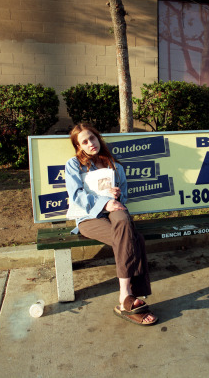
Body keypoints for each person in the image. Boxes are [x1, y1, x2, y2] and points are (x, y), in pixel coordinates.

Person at [64, 123, 158, 326]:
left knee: (123, 221)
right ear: (79, 146)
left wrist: (117, 196)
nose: (91, 144)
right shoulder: (74, 165)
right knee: (135, 239)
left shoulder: (115, 166)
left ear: (99, 138)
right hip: (89, 217)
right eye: (84, 142)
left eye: (93, 138)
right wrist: (103, 201)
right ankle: (130, 297)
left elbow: (124, 195)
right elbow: (76, 195)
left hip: (114, 211)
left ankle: (126, 297)